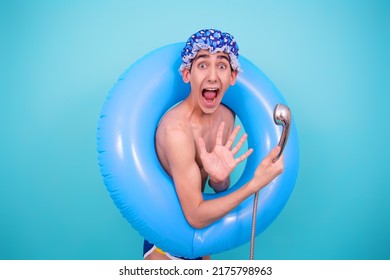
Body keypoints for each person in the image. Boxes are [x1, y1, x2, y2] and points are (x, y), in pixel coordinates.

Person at [144, 29, 284, 260]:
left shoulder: (226, 116)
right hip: (165, 241)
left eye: (221, 65)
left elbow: (214, 186)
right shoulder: (176, 131)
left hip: (203, 238)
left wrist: (220, 180)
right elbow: (194, 215)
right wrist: (254, 185)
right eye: (202, 65)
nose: (211, 76)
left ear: (233, 76)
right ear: (187, 74)